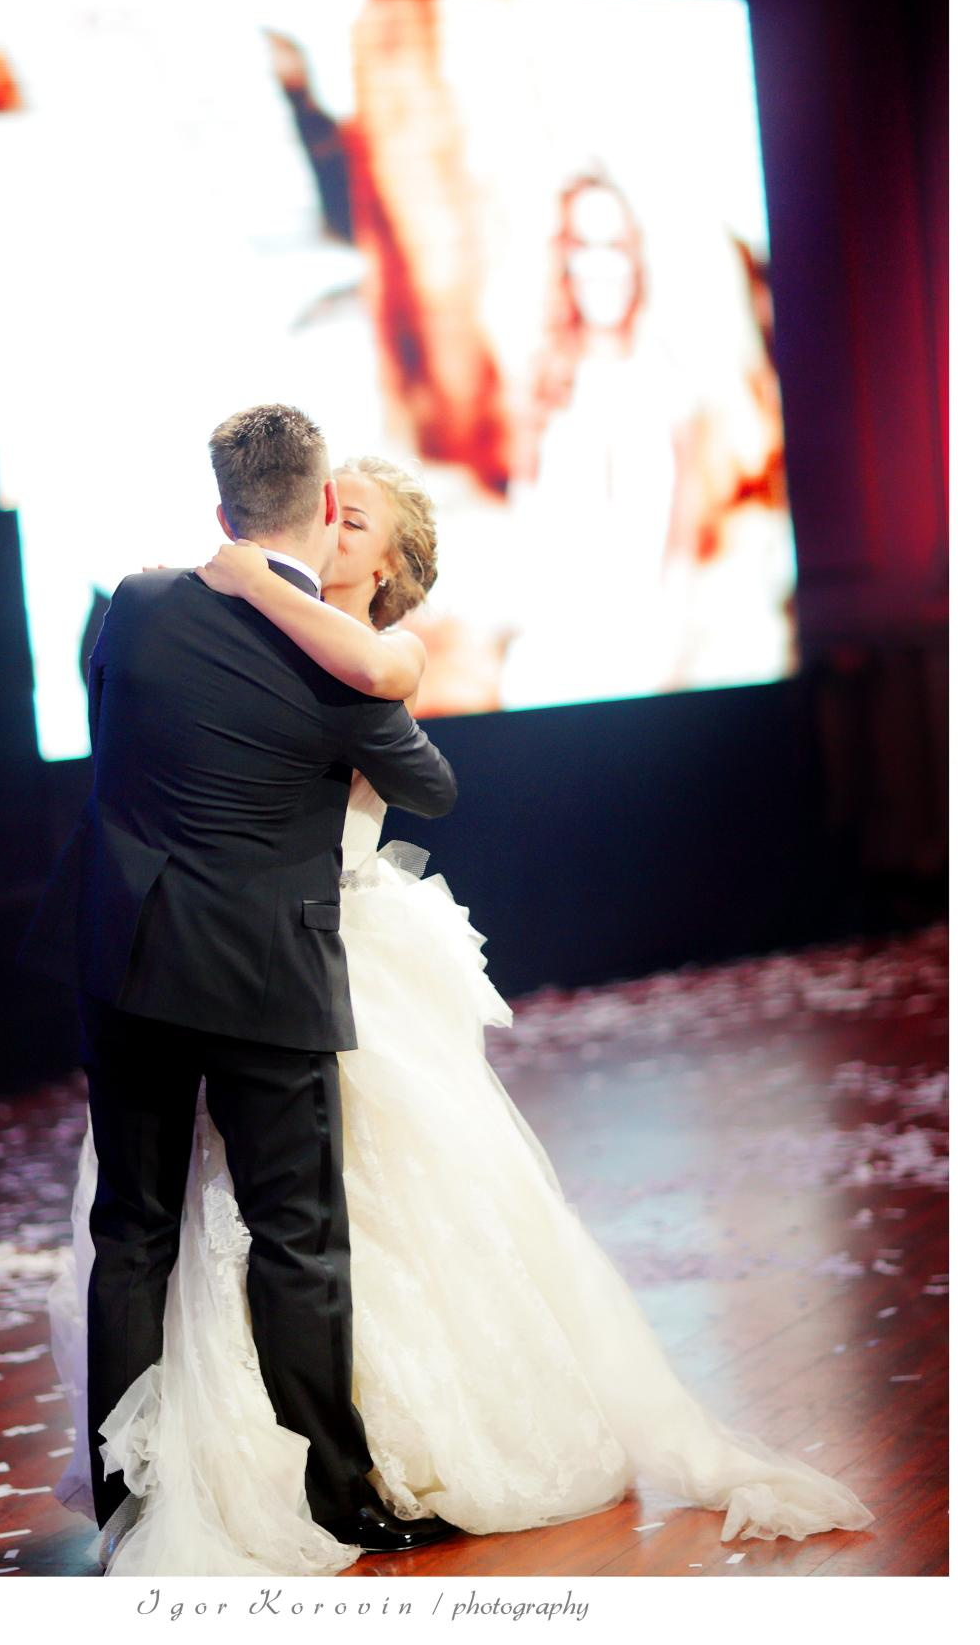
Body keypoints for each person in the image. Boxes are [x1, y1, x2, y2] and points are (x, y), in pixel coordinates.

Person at [48, 454, 875, 1575]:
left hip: (320, 958)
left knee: (347, 1214)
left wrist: (244, 579)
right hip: (222, 956)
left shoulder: (366, 656)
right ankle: (197, 1465)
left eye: (354, 517)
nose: (329, 521)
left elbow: (422, 775)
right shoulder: (209, 619)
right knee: (207, 1222)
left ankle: (355, 1455)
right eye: (327, 502)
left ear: (381, 561)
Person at [22, 405, 461, 1566]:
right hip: (265, 966)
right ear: (323, 510)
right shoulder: (338, 662)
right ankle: (335, 1491)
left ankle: (127, 1499)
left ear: (223, 510)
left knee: (134, 1230)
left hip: (125, 953)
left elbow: (119, 720)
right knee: (298, 1236)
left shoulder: (138, 603)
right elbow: (429, 787)